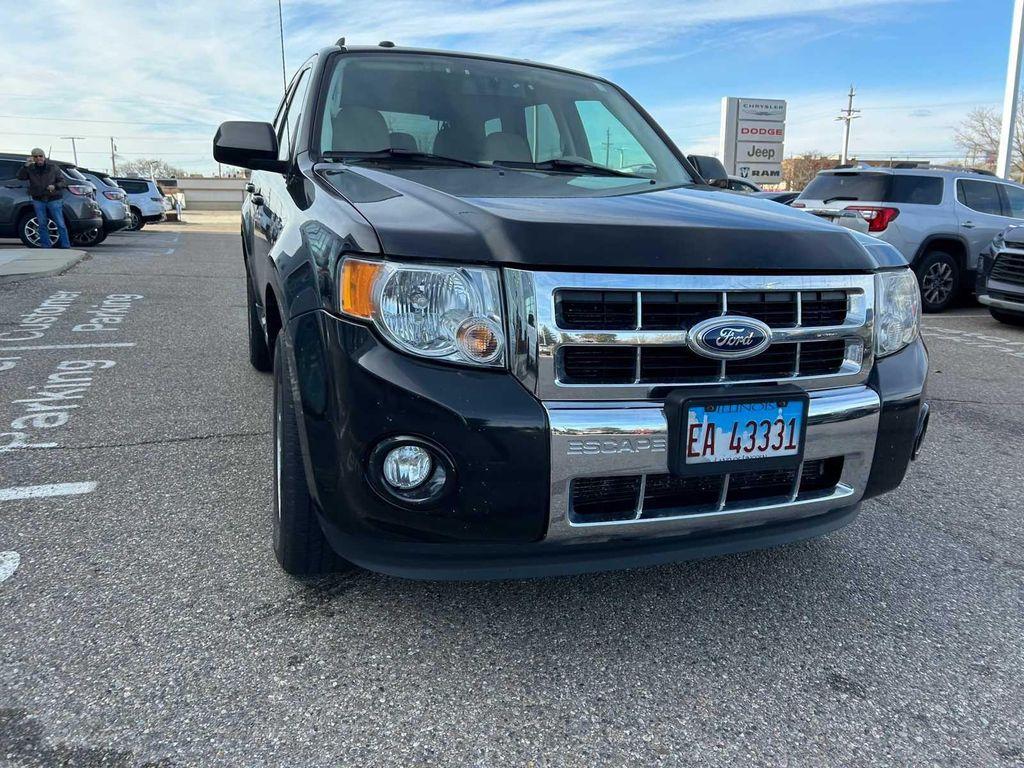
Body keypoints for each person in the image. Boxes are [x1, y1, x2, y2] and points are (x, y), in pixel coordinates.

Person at [17, 148, 70, 248]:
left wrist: (55, 186)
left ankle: (66, 246)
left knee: (60, 223)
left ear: (44, 157)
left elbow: (63, 182)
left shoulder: (53, 167)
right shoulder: (30, 168)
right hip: (38, 199)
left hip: (54, 198)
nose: (38, 158)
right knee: (41, 224)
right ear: (32, 157)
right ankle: (46, 246)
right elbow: (20, 177)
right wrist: (25, 166)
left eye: (40, 156)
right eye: (35, 156)